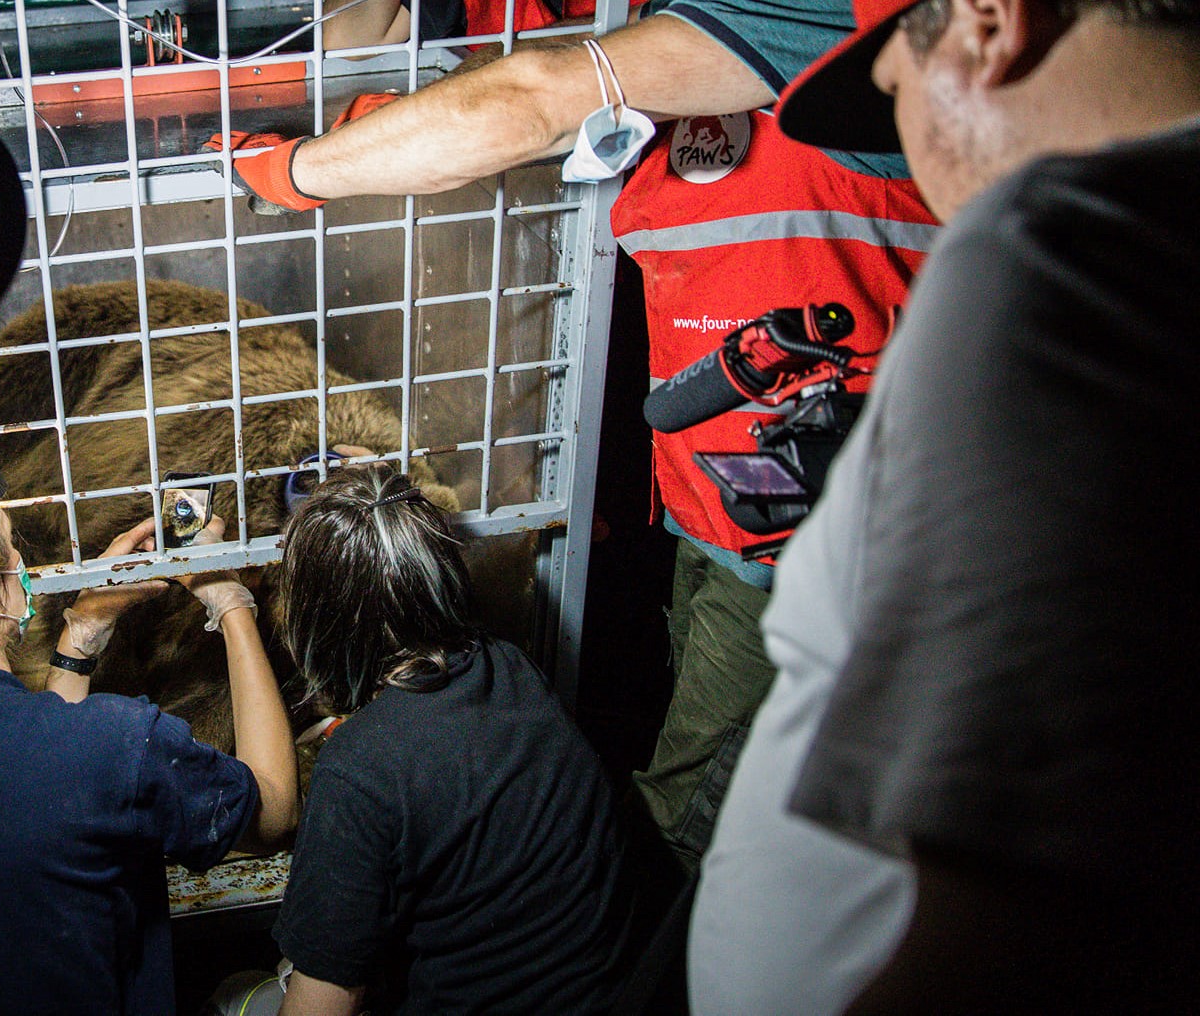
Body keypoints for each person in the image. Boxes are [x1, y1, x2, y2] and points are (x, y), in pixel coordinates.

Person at [234, 0, 939, 865]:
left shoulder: (818, 18)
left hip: (824, 541)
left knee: (687, 824)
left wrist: (284, 171)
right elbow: (398, 54)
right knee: (715, 753)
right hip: (711, 511)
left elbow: (526, 99)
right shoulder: (656, 25)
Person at [687, 0, 1200, 1009]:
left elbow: (1016, 922)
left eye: (894, 99)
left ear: (984, 25)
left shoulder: (1064, 247)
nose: (912, 172)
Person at [0, 459, 299, 1014]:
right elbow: (275, 812)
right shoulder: (118, 743)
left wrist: (82, 632)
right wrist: (230, 600)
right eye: (15, 553)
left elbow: (31, 786)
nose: (28, 565)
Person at [257, 466, 636, 1015]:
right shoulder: (508, 666)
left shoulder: (358, 767)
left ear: (318, 621)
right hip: (608, 997)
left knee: (243, 998)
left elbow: (321, 1008)